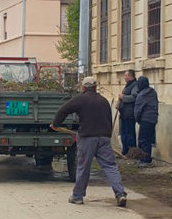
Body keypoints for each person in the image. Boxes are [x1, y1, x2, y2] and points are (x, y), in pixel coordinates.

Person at [51, 77, 128, 207]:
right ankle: (120, 194)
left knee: (83, 166)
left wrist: (56, 124)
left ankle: (77, 196)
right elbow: (108, 119)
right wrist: (106, 135)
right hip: (103, 137)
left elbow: (63, 109)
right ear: (95, 87)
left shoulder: (80, 99)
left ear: (84, 88)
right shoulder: (103, 101)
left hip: (87, 138)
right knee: (110, 166)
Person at [132, 76, 158, 166]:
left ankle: (145, 160)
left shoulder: (141, 95)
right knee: (148, 140)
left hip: (145, 120)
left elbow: (138, 110)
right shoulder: (153, 92)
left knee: (143, 140)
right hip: (153, 119)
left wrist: (137, 120)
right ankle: (146, 158)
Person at [117, 70, 139, 153]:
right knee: (124, 133)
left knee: (129, 134)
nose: (124, 77)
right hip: (124, 114)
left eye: (125, 76)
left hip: (129, 114)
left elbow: (134, 97)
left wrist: (124, 97)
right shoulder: (128, 85)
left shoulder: (135, 85)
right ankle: (125, 150)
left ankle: (131, 152)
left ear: (130, 76)